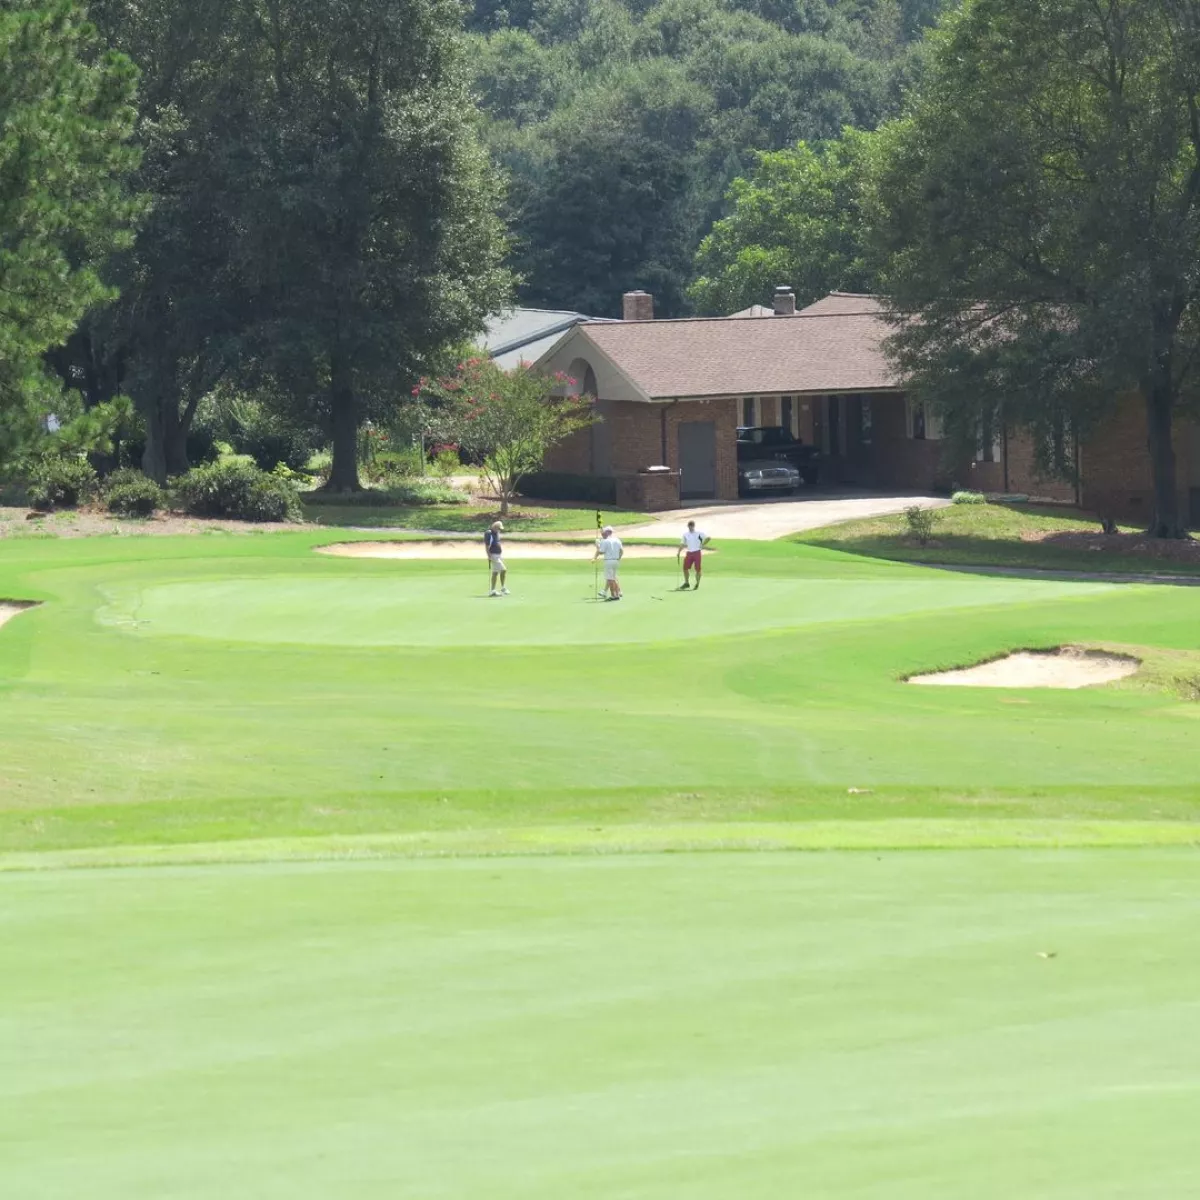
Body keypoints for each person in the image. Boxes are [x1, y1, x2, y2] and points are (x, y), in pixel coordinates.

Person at [676, 520, 710, 589]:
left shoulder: (699, 533)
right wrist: (679, 552)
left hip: (697, 552)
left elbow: (708, 538)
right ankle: (686, 583)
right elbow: (682, 544)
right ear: (688, 526)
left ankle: (697, 583)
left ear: (694, 526)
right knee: (685, 568)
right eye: (689, 526)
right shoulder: (685, 534)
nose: (690, 527)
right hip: (689, 553)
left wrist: (702, 545)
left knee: (698, 569)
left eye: (691, 526)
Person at [594, 524, 623, 600]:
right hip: (616, 561)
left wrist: (597, 545)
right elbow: (621, 551)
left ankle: (613, 595)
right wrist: (618, 558)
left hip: (608, 561)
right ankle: (617, 593)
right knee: (614, 578)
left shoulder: (605, 541)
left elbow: (601, 552)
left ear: (607, 532)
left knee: (610, 579)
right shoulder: (617, 540)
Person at [484, 520, 508, 596]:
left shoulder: (496, 533)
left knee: (495, 572)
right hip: (493, 555)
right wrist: (489, 556)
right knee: (503, 570)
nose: (500, 530)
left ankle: (493, 591)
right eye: (499, 528)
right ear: (495, 527)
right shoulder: (489, 533)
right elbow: (487, 546)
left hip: (498, 555)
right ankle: (503, 588)